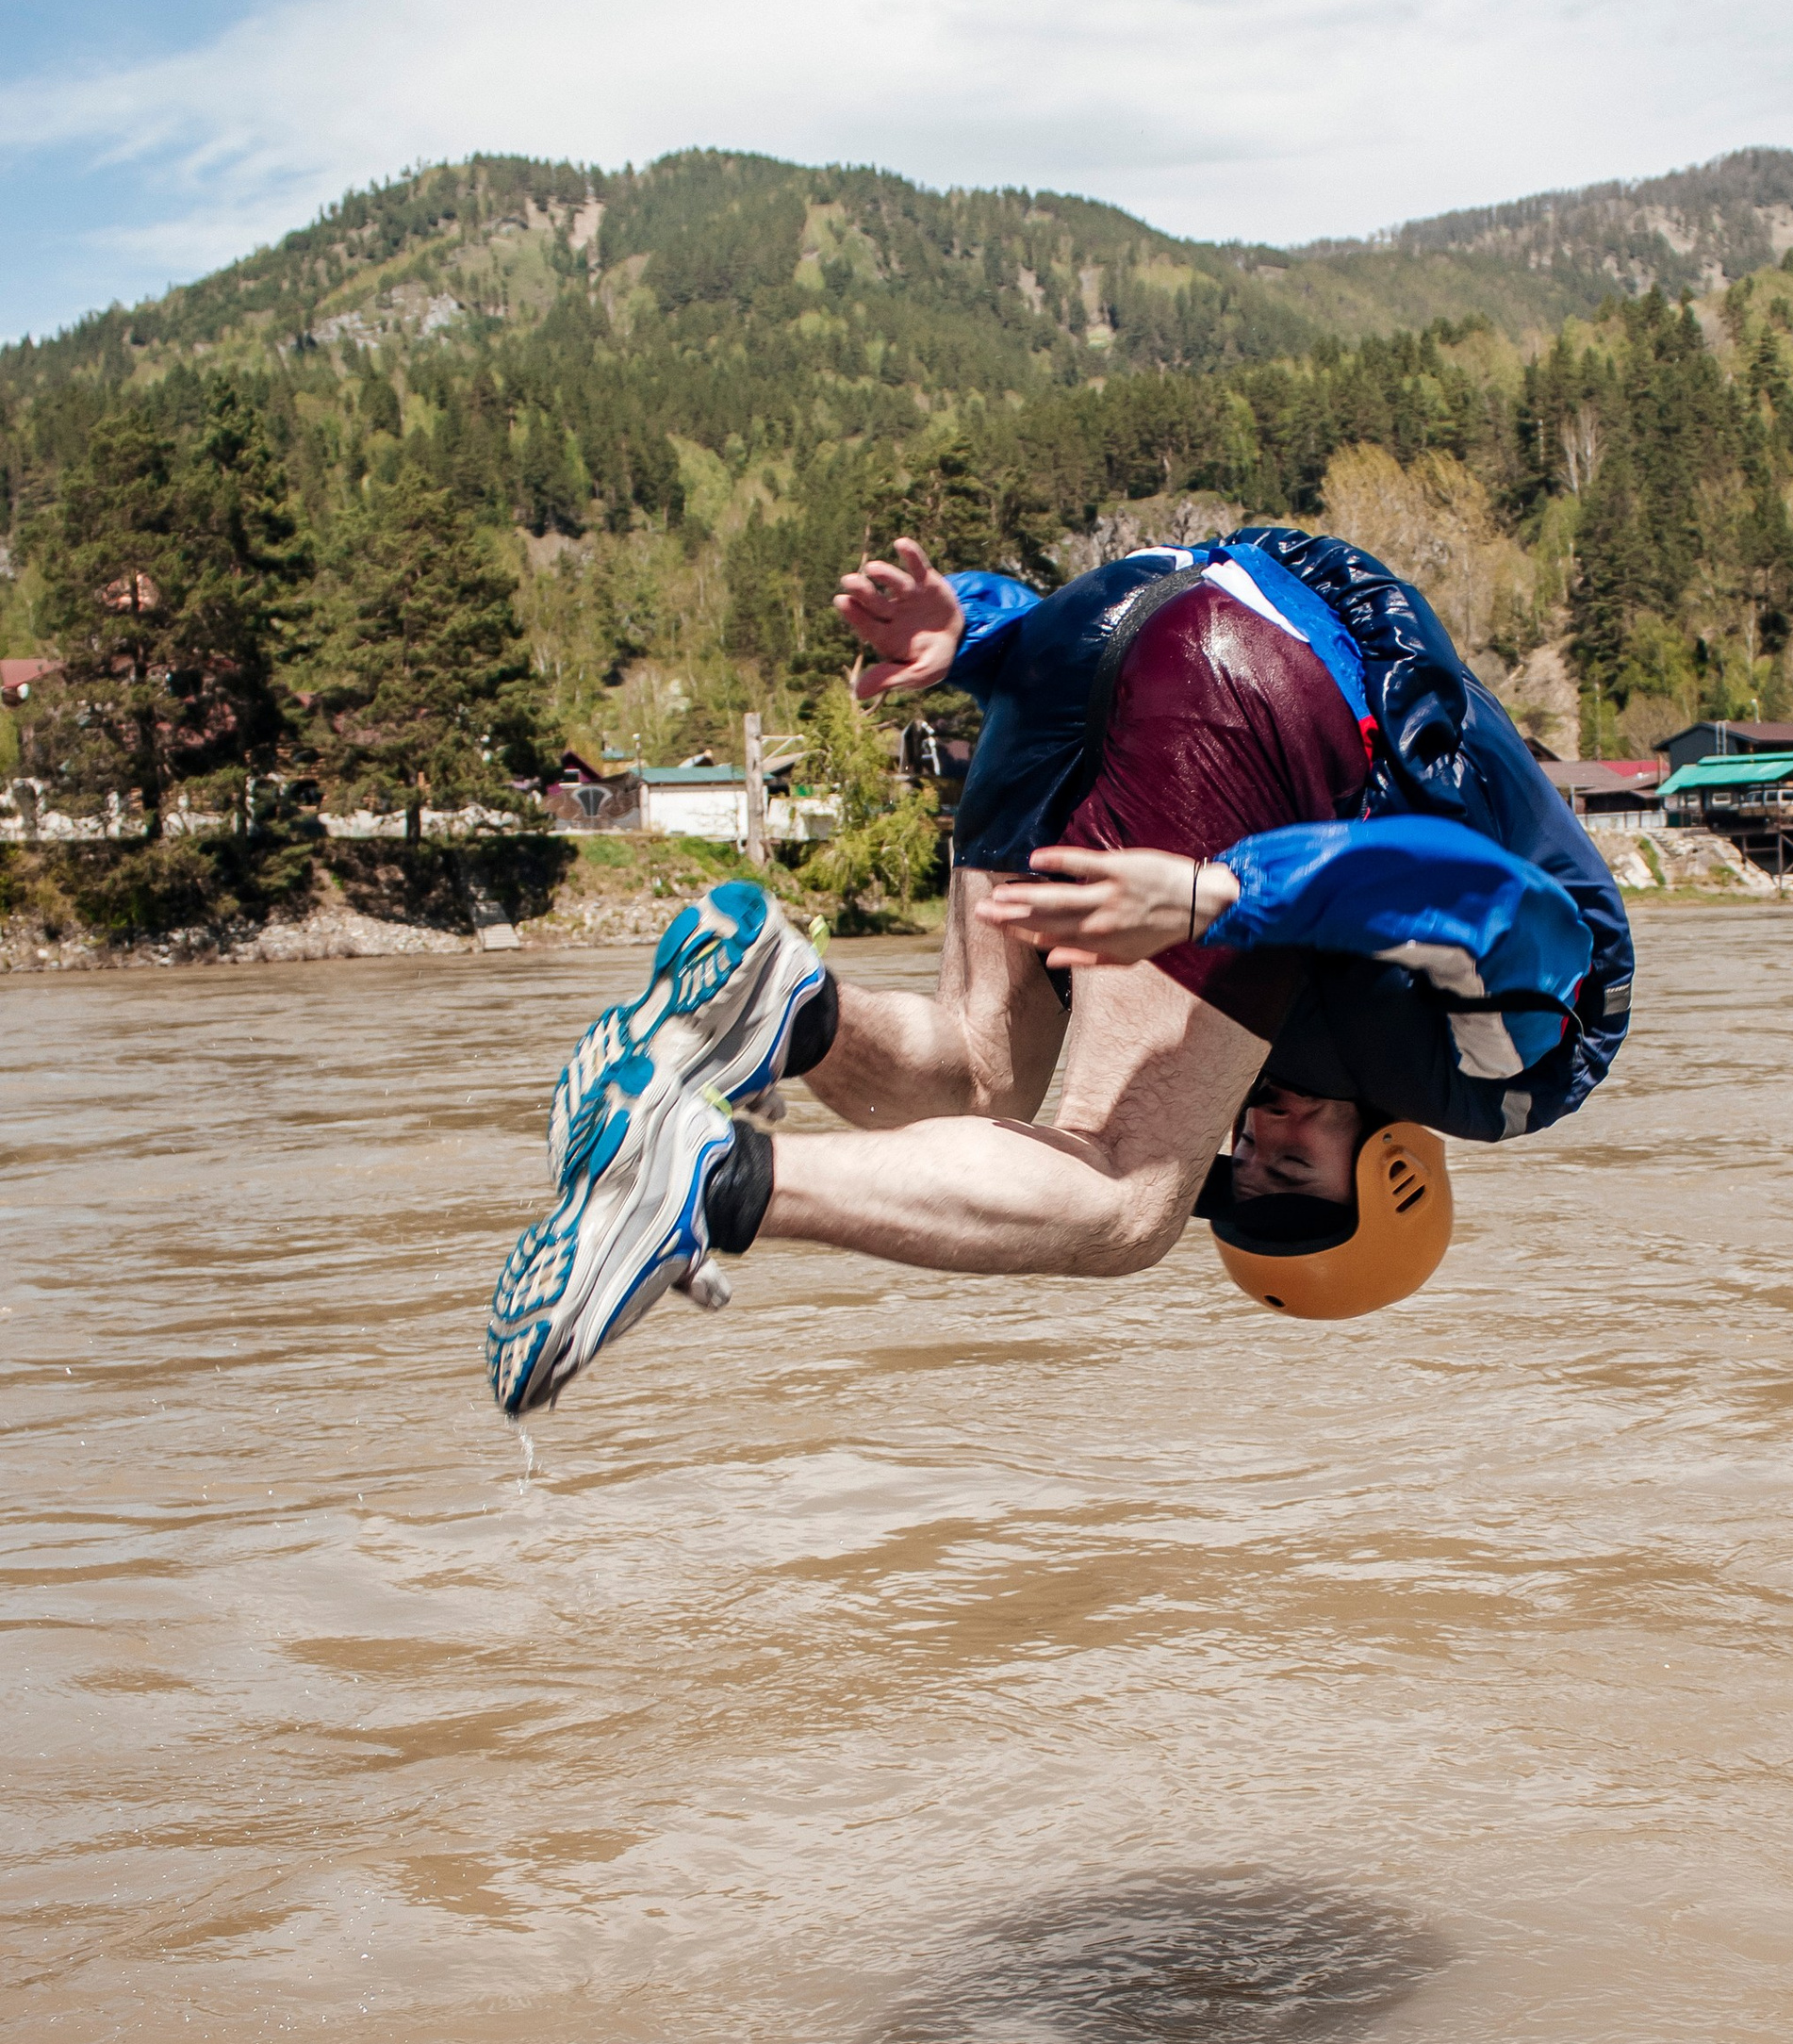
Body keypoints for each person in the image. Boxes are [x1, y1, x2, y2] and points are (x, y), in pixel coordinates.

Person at [485, 527, 1633, 1415]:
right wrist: (1224, 894)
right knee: (1129, 1199)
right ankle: (702, 1180)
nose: (1260, 1140)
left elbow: (1151, 633)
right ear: (1394, 1175)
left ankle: (783, 1002)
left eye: (1248, 1168)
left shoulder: (1290, 1052)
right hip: (1259, 674)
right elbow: (1497, 900)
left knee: (981, 1070)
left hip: (1092, 638)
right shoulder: (1508, 1078)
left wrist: (985, 639)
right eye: (1295, 1168)